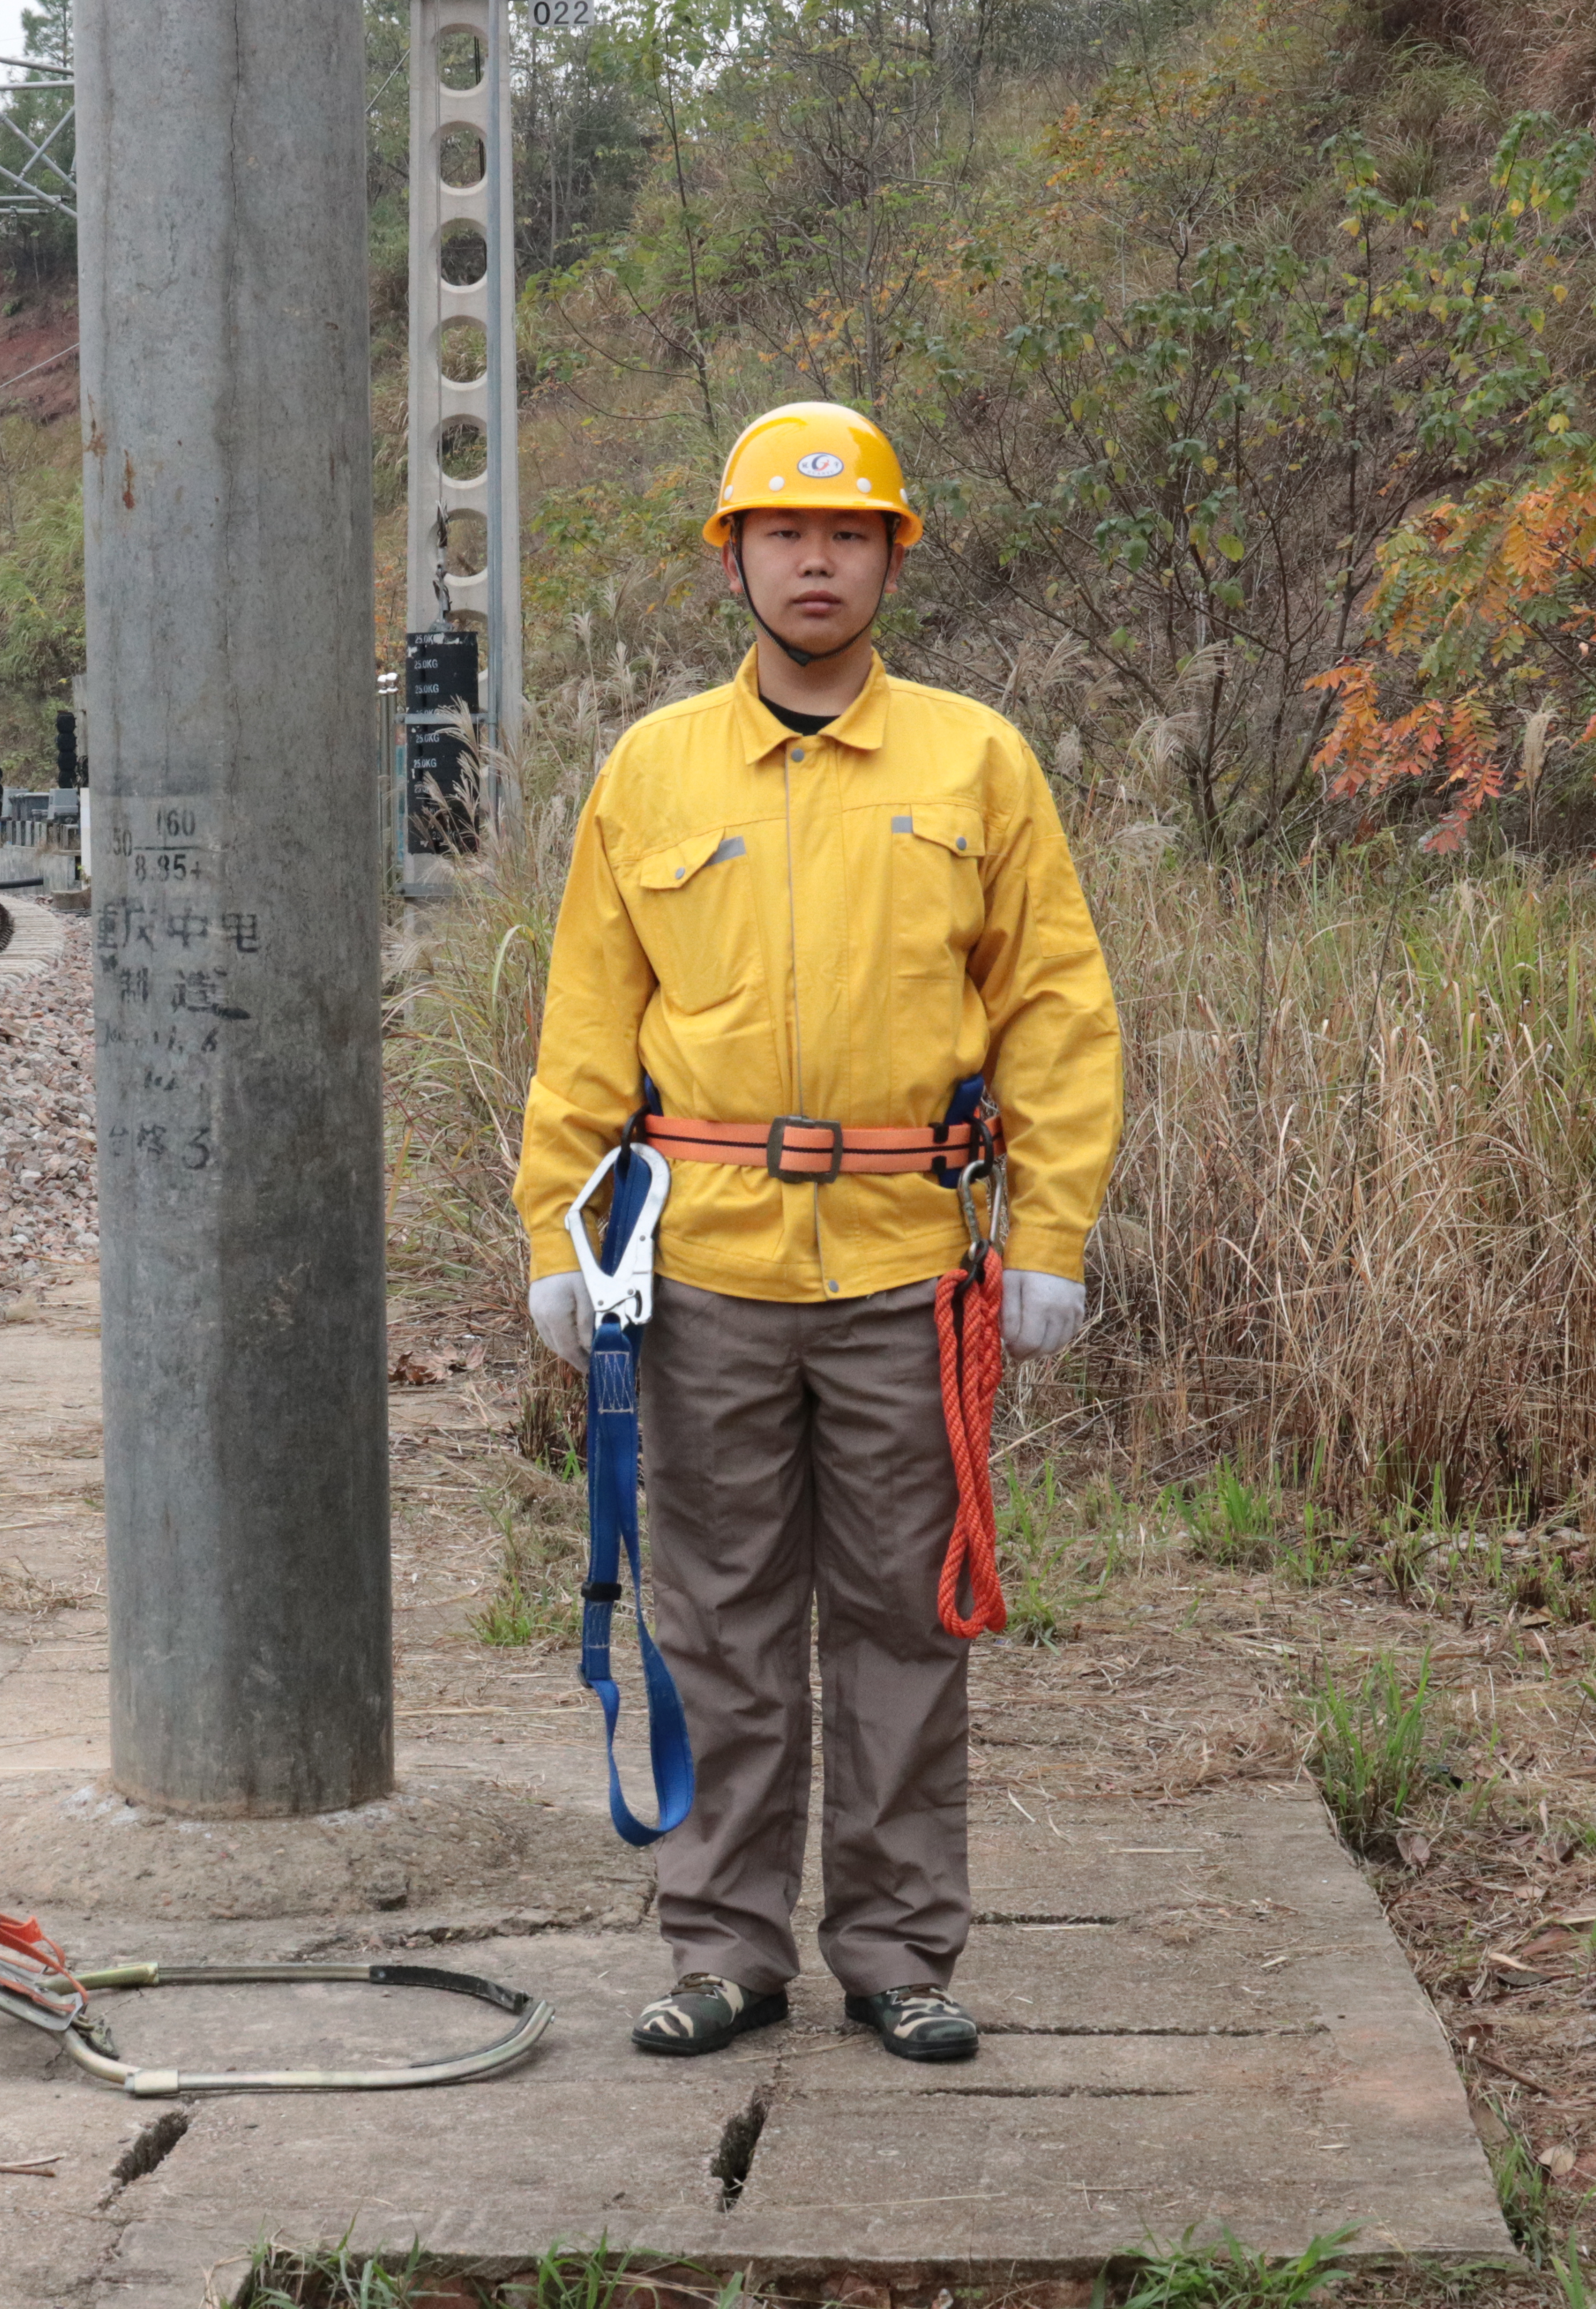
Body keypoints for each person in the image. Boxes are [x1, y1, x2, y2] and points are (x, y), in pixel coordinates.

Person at [513, 402, 1123, 2063]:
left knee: (906, 1620)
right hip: (704, 1269)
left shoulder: (975, 763)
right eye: (783, 533)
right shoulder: (654, 770)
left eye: (848, 534)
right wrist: (559, 1234)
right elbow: (589, 1023)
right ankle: (724, 1950)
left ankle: (898, 1952)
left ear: (890, 560)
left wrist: (1051, 1228)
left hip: (909, 1270)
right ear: (734, 559)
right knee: (714, 1620)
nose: (815, 561)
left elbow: (1056, 1009)